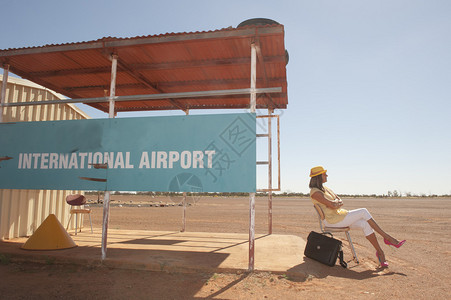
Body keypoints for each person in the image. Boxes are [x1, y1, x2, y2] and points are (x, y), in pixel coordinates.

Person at [309, 166, 405, 268]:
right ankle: (387, 237)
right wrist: (335, 203)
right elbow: (333, 204)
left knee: (365, 224)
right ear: (319, 177)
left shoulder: (326, 189)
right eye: (324, 174)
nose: (327, 175)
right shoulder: (315, 192)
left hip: (340, 216)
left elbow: (339, 201)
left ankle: (380, 253)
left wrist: (335, 203)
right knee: (363, 211)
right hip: (332, 220)